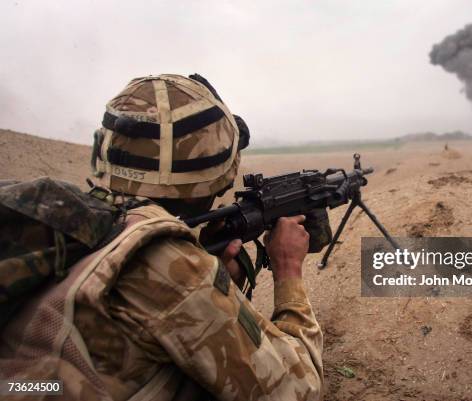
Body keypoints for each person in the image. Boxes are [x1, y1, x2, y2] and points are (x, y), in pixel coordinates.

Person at [0, 74, 323, 400]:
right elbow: (298, 391)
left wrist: (219, 282)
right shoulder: (163, 260)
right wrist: (288, 269)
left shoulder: (68, 220)